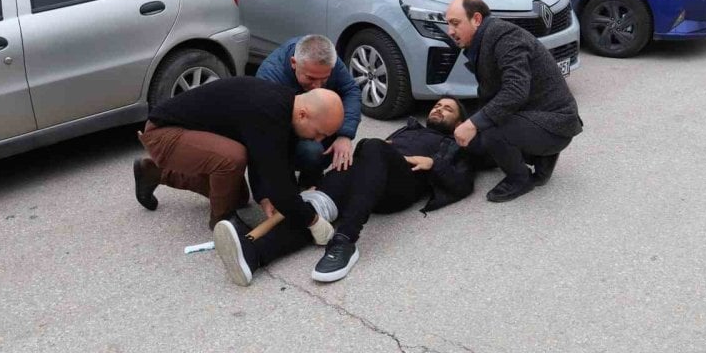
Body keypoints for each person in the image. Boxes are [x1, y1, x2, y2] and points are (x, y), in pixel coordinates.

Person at [212, 98, 475, 287]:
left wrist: (433, 164)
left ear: (459, 122)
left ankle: (345, 241)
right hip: (368, 178)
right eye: (437, 105)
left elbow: (463, 184)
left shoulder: (454, 143)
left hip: (401, 186)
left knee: (372, 146)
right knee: (317, 214)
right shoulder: (410, 128)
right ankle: (255, 254)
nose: (439, 108)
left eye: (448, 108)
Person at [133, 77, 344, 242]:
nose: (319, 140)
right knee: (232, 159)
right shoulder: (268, 112)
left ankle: (154, 173)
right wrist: (312, 221)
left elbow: (275, 160)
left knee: (238, 197)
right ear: (303, 115)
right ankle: (221, 220)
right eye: (319, 133)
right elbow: (278, 181)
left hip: (191, 135)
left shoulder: (284, 104)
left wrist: (264, 196)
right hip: (164, 134)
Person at [444, 0, 583, 203]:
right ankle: (542, 158)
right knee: (480, 141)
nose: (450, 31)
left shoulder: (505, 37)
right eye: (448, 24)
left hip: (556, 124)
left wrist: (474, 124)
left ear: (477, 19)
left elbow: (515, 91)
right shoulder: (486, 38)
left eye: (456, 23)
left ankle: (520, 179)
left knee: (491, 129)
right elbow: (492, 94)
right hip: (540, 117)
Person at [256, 34, 362, 187]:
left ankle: (311, 180)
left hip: (312, 121)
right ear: (294, 63)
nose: (318, 86)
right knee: (311, 150)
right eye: (311, 78)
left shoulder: (329, 61)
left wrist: (345, 135)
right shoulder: (269, 78)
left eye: (324, 79)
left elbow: (351, 91)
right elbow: (269, 138)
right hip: (283, 130)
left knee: (329, 142)